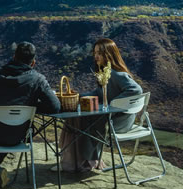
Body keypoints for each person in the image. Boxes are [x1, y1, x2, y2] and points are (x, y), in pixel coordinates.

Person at [0, 41, 61, 187]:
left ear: (14, 57)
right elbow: (55, 107)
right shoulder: (38, 80)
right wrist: (31, 106)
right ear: (33, 62)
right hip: (18, 136)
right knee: (10, 130)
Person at [59, 37, 142, 172]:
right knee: (81, 119)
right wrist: (79, 96)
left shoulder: (115, 74)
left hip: (119, 122)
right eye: (95, 53)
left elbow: (137, 90)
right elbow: (98, 93)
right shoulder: (106, 73)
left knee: (83, 120)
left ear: (109, 54)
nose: (96, 56)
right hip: (116, 119)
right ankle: (80, 160)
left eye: (100, 53)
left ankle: (86, 161)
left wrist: (113, 104)